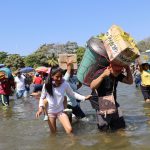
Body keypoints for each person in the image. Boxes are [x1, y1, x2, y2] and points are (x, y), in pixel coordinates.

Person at [36, 67, 91, 134]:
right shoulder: (47, 85)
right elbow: (42, 98)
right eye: (57, 76)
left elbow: (72, 94)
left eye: (61, 76)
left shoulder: (65, 84)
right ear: (52, 76)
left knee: (70, 130)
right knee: (53, 133)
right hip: (50, 112)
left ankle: (72, 143)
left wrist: (84, 98)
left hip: (60, 111)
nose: (59, 79)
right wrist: (40, 108)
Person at [90, 64, 133, 131]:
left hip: (112, 101)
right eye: (117, 70)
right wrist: (103, 75)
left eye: (120, 70)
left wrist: (127, 68)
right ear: (110, 67)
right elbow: (92, 86)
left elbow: (130, 82)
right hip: (100, 102)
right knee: (104, 128)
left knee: (120, 127)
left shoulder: (117, 74)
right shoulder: (101, 73)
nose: (119, 71)